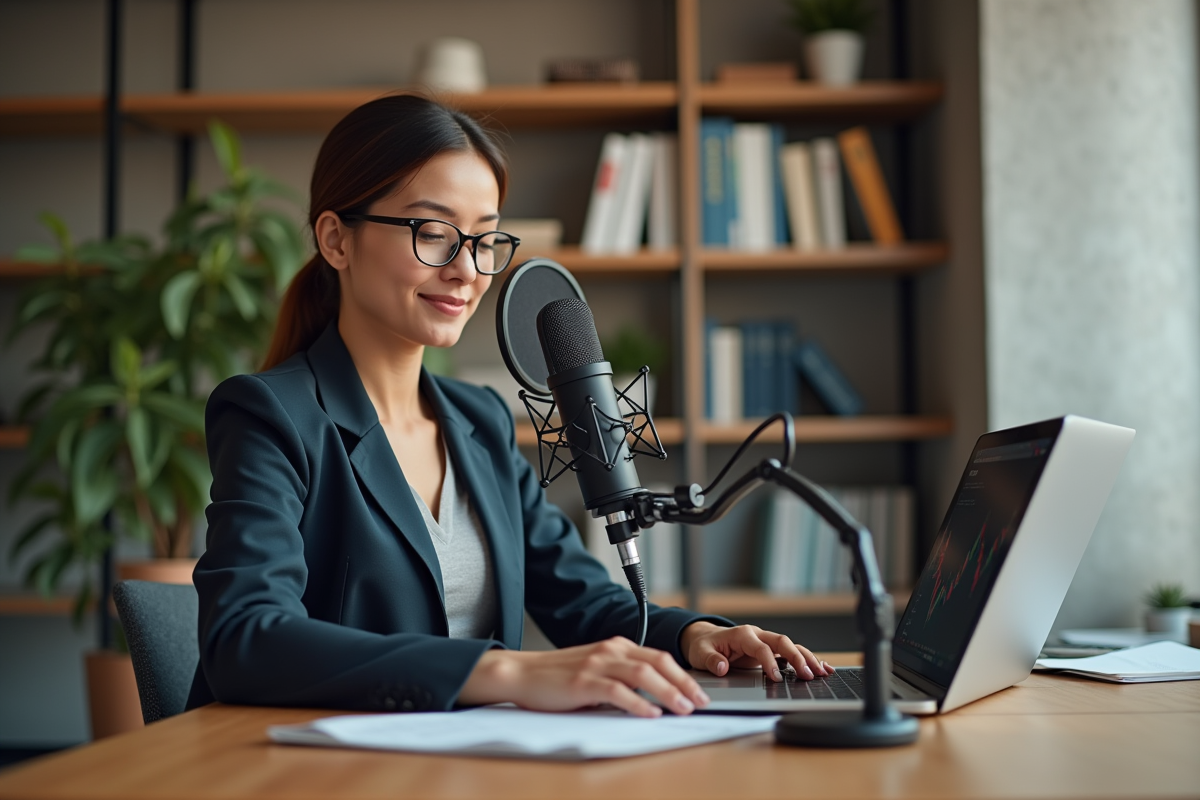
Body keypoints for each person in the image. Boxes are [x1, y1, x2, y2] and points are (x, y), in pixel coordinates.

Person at [186, 94, 830, 718]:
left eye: (485, 240)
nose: (467, 269)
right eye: (434, 233)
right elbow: (246, 637)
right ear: (336, 240)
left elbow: (581, 600)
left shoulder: (481, 421)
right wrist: (500, 671)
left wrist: (693, 636)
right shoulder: (271, 414)